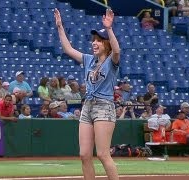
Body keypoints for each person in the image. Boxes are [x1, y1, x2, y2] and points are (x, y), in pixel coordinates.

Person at [55, 8, 120, 179]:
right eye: (93, 40)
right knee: (84, 155)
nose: (94, 43)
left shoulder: (111, 61)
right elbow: (68, 49)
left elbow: (117, 51)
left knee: (103, 154)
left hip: (104, 106)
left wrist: (110, 29)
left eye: (99, 40)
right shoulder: (89, 60)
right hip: (88, 106)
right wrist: (60, 27)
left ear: (106, 44)